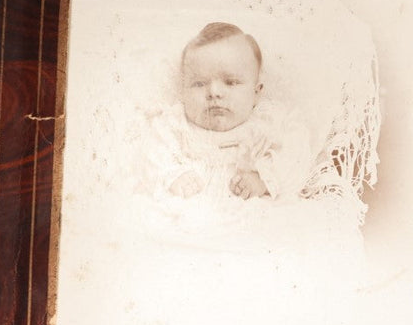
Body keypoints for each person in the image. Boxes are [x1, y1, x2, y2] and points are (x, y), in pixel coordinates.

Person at [135, 21, 316, 203]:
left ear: (256, 92)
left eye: (231, 82)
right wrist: (172, 176)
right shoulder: (176, 126)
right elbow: (149, 155)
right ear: (183, 90)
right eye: (199, 83)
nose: (214, 92)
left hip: (255, 217)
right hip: (188, 214)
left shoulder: (267, 124)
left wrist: (263, 179)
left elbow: (297, 152)